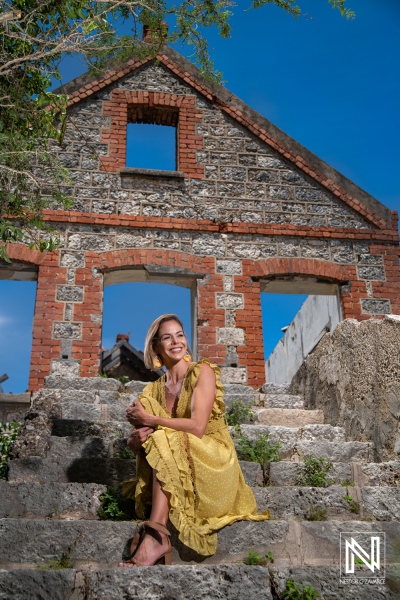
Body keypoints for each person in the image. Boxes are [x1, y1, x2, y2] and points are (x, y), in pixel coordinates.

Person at [118, 314, 271, 567]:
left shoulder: (203, 372)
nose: (176, 341)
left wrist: (152, 421)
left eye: (180, 335)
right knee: (157, 434)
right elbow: (146, 436)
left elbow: (198, 427)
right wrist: (135, 440)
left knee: (162, 433)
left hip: (214, 459)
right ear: (156, 347)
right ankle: (157, 534)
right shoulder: (152, 391)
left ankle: (156, 534)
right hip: (181, 458)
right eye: (167, 337)